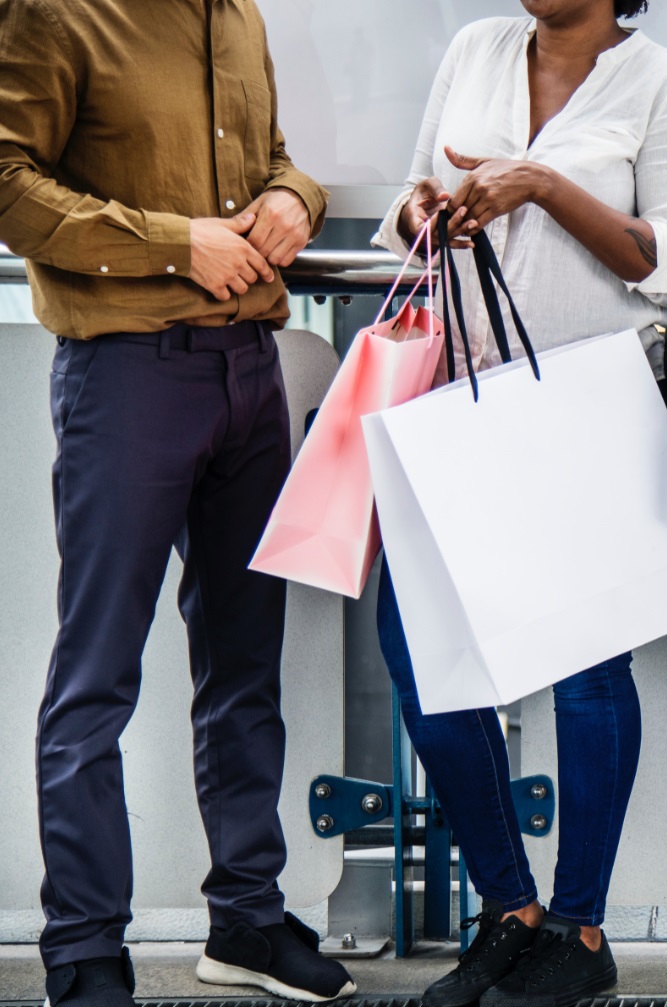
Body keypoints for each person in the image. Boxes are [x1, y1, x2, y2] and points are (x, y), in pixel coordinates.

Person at [0, 1, 353, 1003]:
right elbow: (5, 181)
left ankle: (246, 921)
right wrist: (171, 244)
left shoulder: (236, 13)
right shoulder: (54, 12)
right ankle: (82, 949)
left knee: (246, 664)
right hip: (126, 378)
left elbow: (277, 160)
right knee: (96, 673)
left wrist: (295, 197)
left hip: (251, 372)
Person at [369, 1, 667, 1005]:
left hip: (589, 408)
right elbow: (406, 197)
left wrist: (540, 185)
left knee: (584, 674)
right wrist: (423, 212)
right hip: (456, 398)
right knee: (424, 660)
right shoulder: (476, 47)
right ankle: (507, 909)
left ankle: (579, 928)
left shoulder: (663, 86)